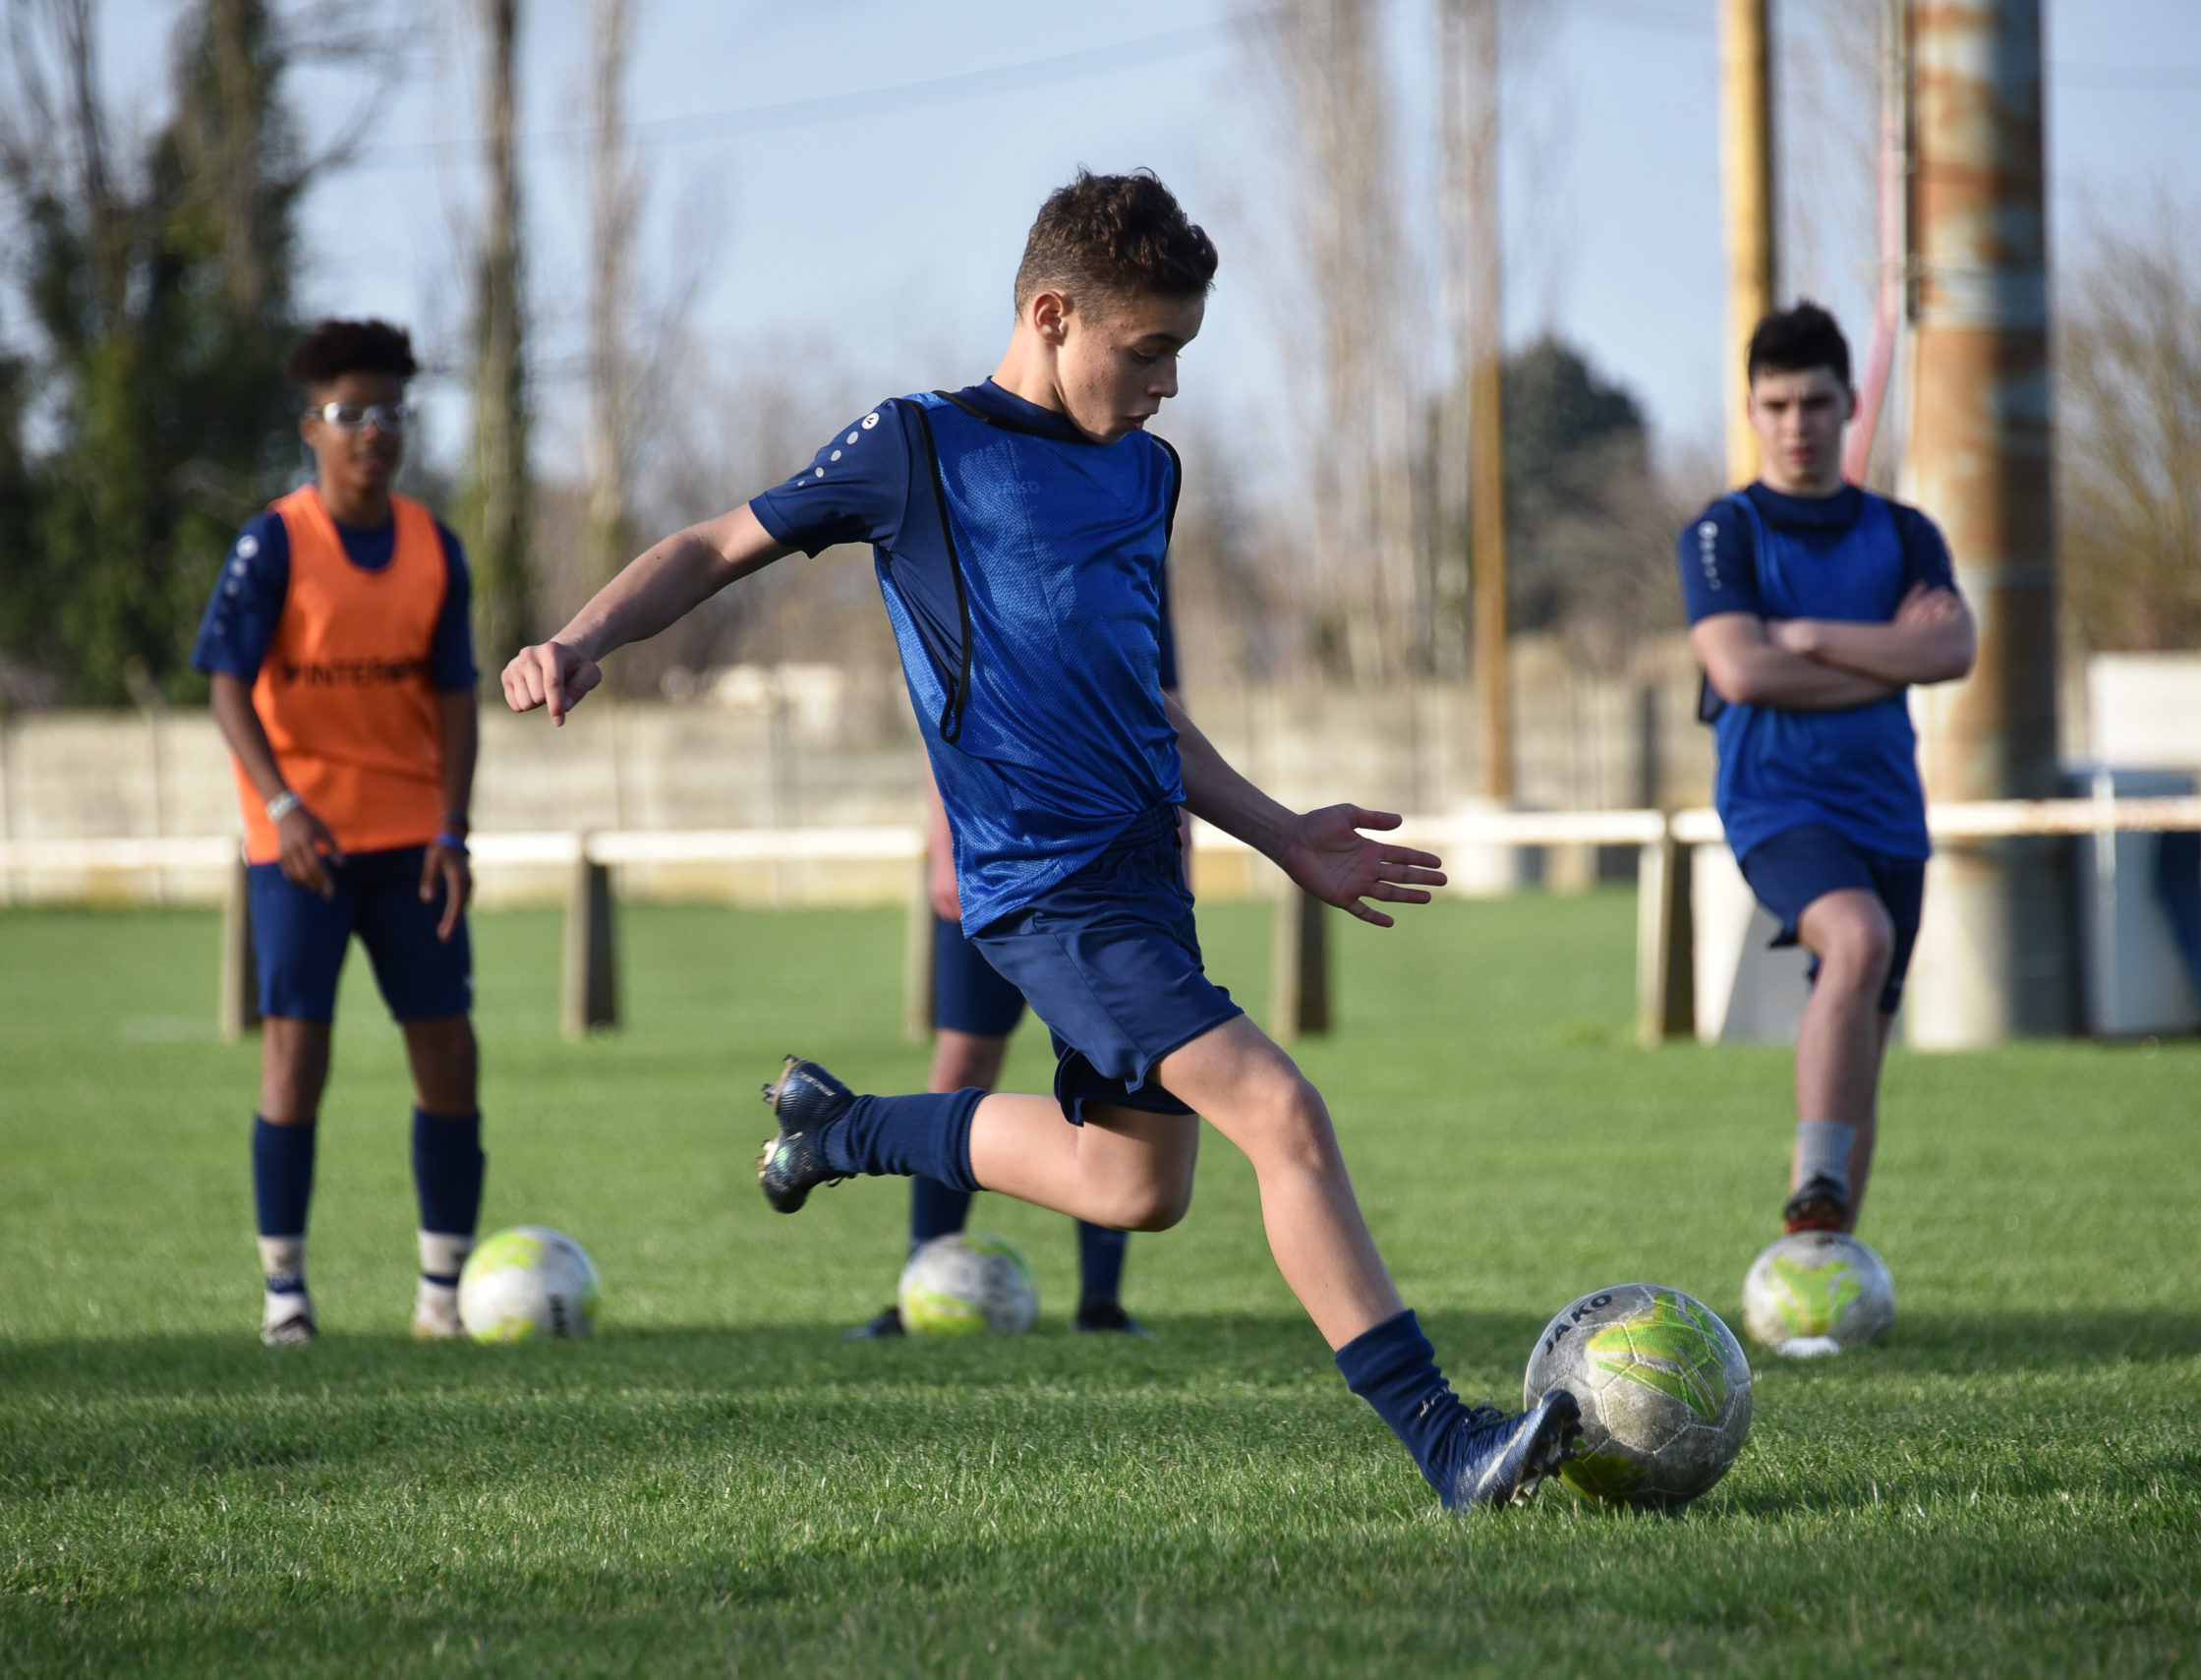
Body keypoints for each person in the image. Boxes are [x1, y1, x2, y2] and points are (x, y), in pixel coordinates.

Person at [502, 169, 1579, 1508]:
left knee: (1133, 1185)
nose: (1169, 383)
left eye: (1182, 352)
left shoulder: (1147, 472)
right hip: (1045, 888)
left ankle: (844, 1129)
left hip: (1144, 879)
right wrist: (582, 636)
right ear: (1054, 315)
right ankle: (1446, 1441)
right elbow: (717, 542)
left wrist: (1281, 834)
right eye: (1150, 349)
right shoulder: (918, 447)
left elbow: (1145, 704)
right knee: (1280, 1110)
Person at [193, 319, 485, 1346]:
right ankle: (286, 1296)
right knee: (294, 1056)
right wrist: (280, 805)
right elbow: (226, 687)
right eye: (351, 412)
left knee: (448, 1053)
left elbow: (456, 698)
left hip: (412, 843)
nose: (374, 431)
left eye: (391, 412)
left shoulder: (434, 548)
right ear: (310, 427)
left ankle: (443, 1296)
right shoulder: (274, 543)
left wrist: (454, 827)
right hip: (302, 849)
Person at [1681, 302, 1976, 1237]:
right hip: (1778, 805)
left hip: (1890, 814)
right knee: (1856, 936)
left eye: (1814, 402)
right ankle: (1814, 1181)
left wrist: (1809, 637)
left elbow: (1953, 650)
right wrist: (1889, 657)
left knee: (1861, 1053)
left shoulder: (1906, 532)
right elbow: (1740, 671)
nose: (1797, 424)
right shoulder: (1724, 533)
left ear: (1851, 402)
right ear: (1751, 412)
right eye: (1777, 405)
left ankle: (1823, 1260)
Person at [851, 756, 1159, 1338]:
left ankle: (1101, 1302)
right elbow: (940, 724)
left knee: (1104, 1067)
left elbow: (1166, 727)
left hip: (1099, 865)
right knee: (961, 1062)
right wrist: (943, 844)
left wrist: (1179, 846)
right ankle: (920, 1278)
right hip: (988, 857)